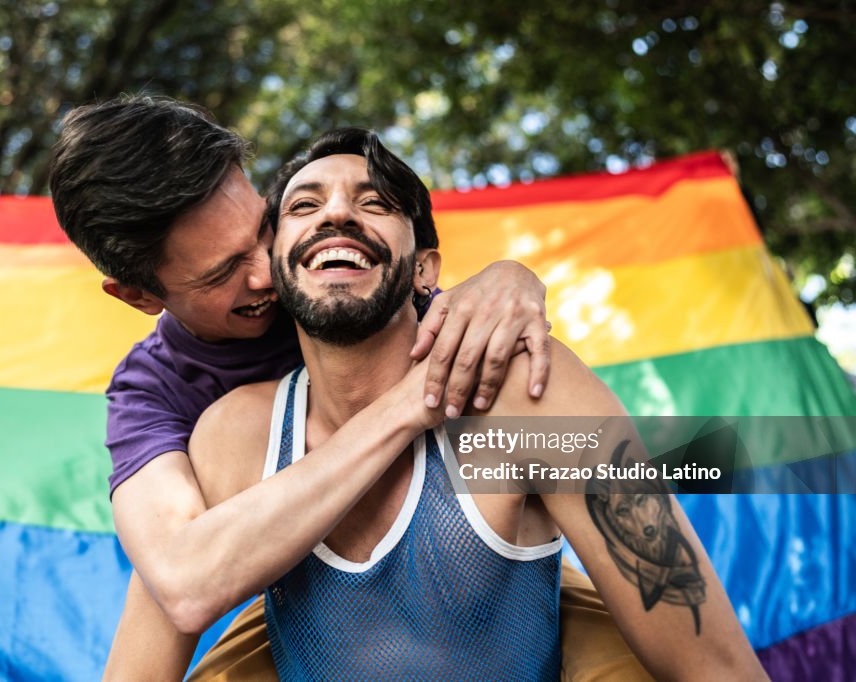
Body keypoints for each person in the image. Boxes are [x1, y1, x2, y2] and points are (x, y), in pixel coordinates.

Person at [180, 128, 768, 679]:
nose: (336, 213)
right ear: (275, 269)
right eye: (304, 205)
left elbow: (716, 667)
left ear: (424, 269)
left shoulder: (524, 394)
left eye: (374, 203)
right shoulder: (235, 433)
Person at [48, 96, 563, 678]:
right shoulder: (156, 392)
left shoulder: (339, 280)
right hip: (300, 597)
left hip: (497, 582)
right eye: (222, 273)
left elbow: (627, 453)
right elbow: (183, 582)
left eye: (263, 229)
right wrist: (406, 405)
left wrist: (511, 277)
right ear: (139, 296)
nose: (268, 271)